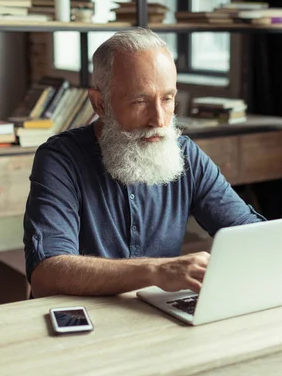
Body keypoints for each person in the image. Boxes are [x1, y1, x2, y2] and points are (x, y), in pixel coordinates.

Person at [23, 28, 265, 298]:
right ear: (100, 103)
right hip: (85, 321)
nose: (159, 120)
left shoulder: (186, 154)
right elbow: (47, 273)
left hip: (157, 318)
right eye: (140, 101)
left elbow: (247, 233)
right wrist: (155, 271)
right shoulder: (60, 159)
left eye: (167, 99)